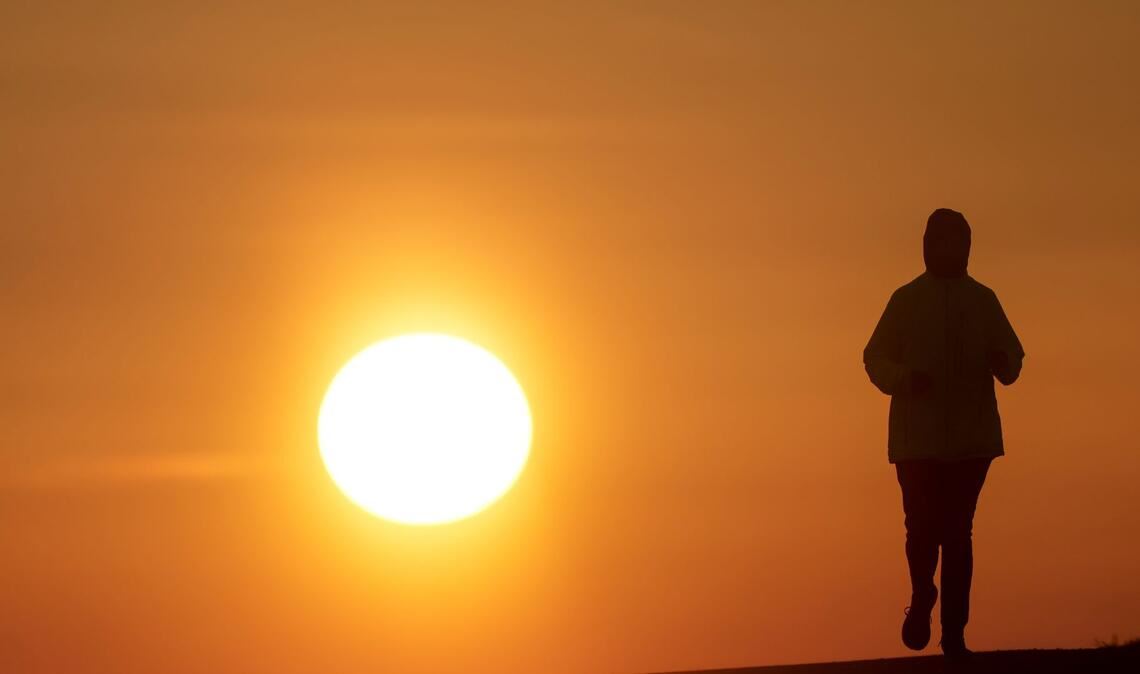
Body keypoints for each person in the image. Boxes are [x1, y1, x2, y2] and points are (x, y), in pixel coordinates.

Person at [863, 208, 1024, 660]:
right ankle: (921, 596)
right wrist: (904, 379)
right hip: (917, 442)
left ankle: (954, 634)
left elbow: (1013, 355)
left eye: (958, 242)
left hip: (972, 441)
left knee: (957, 534)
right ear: (928, 245)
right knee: (921, 531)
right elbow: (874, 356)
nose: (950, 251)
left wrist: (1001, 362)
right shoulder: (906, 300)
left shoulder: (984, 300)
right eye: (942, 242)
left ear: (968, 247)